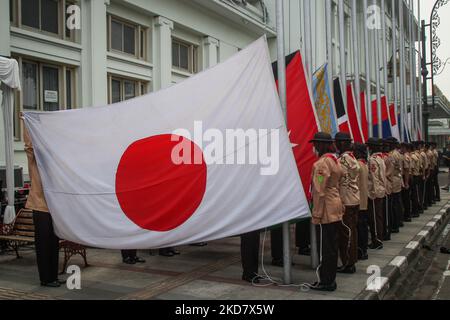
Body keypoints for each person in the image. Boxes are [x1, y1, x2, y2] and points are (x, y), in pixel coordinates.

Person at [23, 122, 62, 288]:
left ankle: (53, 276)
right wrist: (26, 123)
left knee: (53, 244)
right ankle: (45, 278)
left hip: (54, 208)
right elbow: (29, 146)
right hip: (40, 207)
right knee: (44, 244)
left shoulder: (55, 164)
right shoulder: (34, 159)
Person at [309, 132, 343, 292]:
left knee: (325, 248)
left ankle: (326, 281)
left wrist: (316, 213)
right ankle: (330, 279)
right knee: (332, 245)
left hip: (326, 210)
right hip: (335, 204)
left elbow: (319, 189)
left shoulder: (322, 164)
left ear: (322, 144)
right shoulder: (334, 160)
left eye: (316, 143)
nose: (314, 146)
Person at [335, 132, 360, 274]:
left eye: (338, 142)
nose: (336, 144)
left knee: (346, 234)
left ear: (343, 143)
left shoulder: (344, 159)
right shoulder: (351, 157)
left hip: (347, 200)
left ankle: (348, 263)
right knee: (352, 232)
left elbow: (340, 179)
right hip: (353, 198)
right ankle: (351, 261)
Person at [367, 138, 386, 250]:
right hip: (380, 190)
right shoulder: (380, 158)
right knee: (378, 216)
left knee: (374, 217)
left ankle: (377, 240)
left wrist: (372, 193)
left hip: (374, 192)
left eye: (369, 146)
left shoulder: (373, 160)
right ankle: (379, 237)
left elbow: (374, 178)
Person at [354, 143, 369, 261]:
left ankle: (361, 250)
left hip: (358, 200)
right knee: (363, 225)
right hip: (364, 199)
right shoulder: (364, 164)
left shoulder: (358, 165)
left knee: (360, 227)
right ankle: (363, 250)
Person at [387, 137, 404, 231]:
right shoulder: (397, 153)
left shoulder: (392, 155)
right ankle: (399, 221)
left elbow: (390, 170)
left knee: (394, 203)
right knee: (397, 201)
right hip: (397, 178)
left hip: (393, 179)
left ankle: (395, 224)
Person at [382, 140, 393, 240]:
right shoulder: (387, 156)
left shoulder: (385, 157)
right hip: (387, 184)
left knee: (385, 212)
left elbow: (386, 173)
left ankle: (386, 232)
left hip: (386, 185)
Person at [400, 143, 412, 222]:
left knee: (406, 198)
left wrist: (406, 182)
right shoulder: (406, 156)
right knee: (405, 198)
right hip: (406, 177)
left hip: (406, 177)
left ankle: (407, 215)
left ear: (404, 148)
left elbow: (407, 170)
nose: (400, 149)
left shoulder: (405, 157)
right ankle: (406, 214)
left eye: (401, 148)